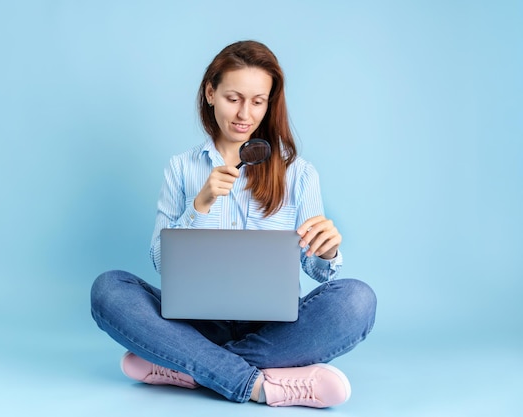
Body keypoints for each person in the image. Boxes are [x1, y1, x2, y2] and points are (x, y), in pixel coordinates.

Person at [90, 40, 377, 409]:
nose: (245, 113)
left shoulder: (299, 173)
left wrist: (327, 250)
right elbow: (162, 263)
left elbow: (320, 273)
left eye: (258, 101)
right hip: (194, 323)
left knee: (357, 300)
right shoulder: (181, 168)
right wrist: (200, 205)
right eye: (233, 98)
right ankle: (259, 384)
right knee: (108, 289)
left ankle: (186, 364)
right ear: (211, 93)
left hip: (276, 329)